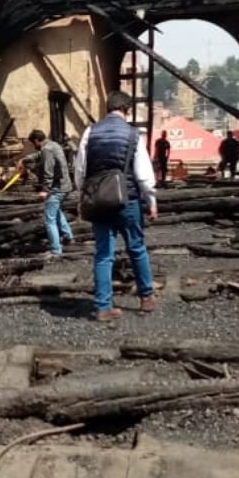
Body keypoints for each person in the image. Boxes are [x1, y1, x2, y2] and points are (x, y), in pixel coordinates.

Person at [74, 92, 159, 321]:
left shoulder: (90, 132)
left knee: (103, 254)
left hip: (99, 201)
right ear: (127, 110)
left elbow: (80, 170)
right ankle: (146, 298)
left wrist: (85, 195)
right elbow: (143, 175)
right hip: (128, 200)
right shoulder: (133, 134)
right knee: (137, 248)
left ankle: (103, 307)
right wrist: (151, 200)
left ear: (108, 108)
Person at [22, 129, 74, 256]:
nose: (34, 147)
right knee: (56, 211)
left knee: (49, 219)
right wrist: (25, 159)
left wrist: (46, 190)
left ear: (36, 140)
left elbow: (48, 172)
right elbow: (39, 155)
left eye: (33, 144)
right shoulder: (53, 145)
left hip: (57, 188)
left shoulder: (47, 150)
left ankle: (56, 250)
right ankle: (68, 237)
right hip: (65, 186)